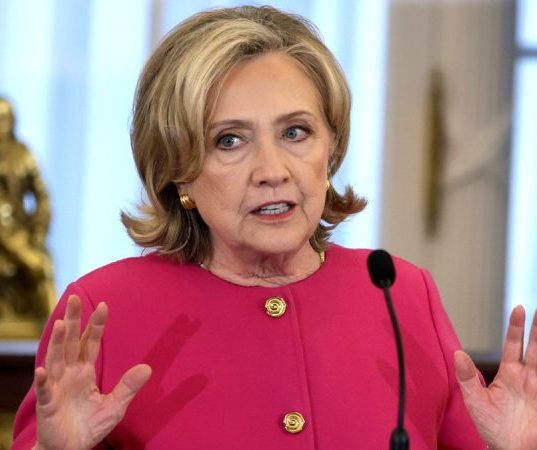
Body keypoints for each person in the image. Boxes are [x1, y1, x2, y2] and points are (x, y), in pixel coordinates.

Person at [10, 6, 537, 450]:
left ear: (331, 147)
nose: (272, 170)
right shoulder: (103, 311)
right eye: (229, 140)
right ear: (176, 169)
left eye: (295, 132)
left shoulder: (401, 294)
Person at [0, 97, 55, 334]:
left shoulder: (23, 155)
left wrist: (38, 231)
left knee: (40, 267)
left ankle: (55, 329)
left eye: (5, 119)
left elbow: (42, 197)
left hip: (16, 232)